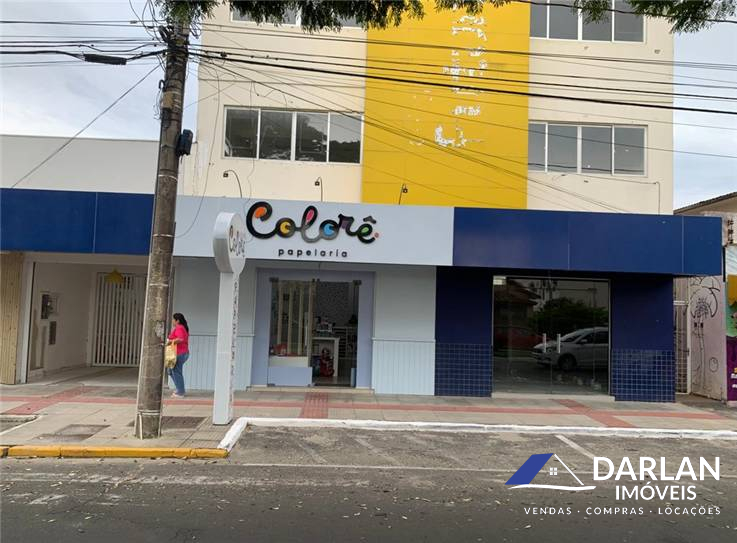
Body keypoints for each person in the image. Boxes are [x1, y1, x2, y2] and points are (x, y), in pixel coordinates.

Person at [167, 313, 190, 398]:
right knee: (170, 371)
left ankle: (180, 392)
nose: (172, 321)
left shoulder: (179, 327)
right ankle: (179, 388)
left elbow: (180, 339)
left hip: (180, 353)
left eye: (173, 319)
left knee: (176, 372)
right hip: (180, 353)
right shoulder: (181, 327)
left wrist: (169, 342)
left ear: (177, 321)